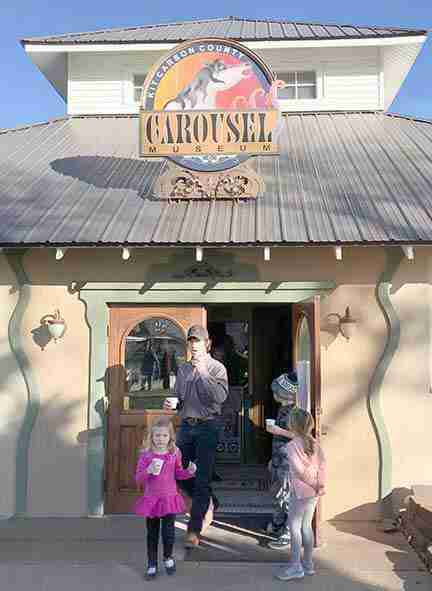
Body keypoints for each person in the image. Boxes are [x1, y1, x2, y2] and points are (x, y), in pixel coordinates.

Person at [164, 324, 228, 548]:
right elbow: (180, 399)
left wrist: (202, 373)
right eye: (191, 341)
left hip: (208, 427)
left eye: (198, 341)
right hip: (186, 427)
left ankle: (194, 530)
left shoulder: (217, 368)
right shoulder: (182, 370)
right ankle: (210, 500)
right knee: (177, 472)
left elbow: (219, 398)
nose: (194, 345)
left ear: (207, 344)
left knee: (201, 478)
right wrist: (174, 403)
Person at [135, 417, 196, 580]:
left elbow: (178, 473)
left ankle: (168, 557)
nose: (160, 439)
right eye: (157, 436)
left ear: (170, 437)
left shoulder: (174, 453)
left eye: (164, 436)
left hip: (169, 499)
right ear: (151, 437)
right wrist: (148, 469)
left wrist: (189, 471)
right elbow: (138, 478)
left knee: (168, 534)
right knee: (152, 534)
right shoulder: (146, 455)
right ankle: (152, 564)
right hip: (152, 501)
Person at [275, 408, 326, 581]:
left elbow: (299, 470)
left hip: (300, 491)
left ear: (291, 425)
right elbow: (322, 466)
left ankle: (295, 566)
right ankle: (308, 564)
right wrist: (320, 485)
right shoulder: (314, 443)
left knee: (294, 527)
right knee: (306, 527)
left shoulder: (291, 446)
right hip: (314, 492)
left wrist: (313, 484)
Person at [265, 370, 298, 549]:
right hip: (279, 458)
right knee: (278, 492)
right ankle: (279, 522)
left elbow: (301, 436)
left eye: (276, 392)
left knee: (287, 495)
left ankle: (289, 532)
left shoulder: (296, 412)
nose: (274, 395)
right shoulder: (283, 409)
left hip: (289, 461)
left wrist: (279, 431)